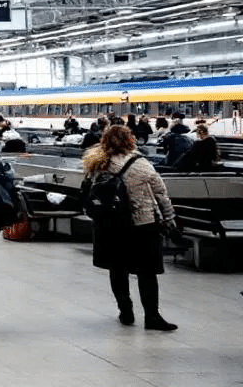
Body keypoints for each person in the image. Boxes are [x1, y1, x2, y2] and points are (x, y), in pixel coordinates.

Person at [82, 124, 179, 330]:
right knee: (147, 273)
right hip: (142, 224)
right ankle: (152, 316)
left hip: (110, 224)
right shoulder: (141, 164)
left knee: (118, 269)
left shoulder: (97, 163)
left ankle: (125, 311)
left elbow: (88, 193)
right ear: (130, 140)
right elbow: (161, 193)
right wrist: (170, 219)